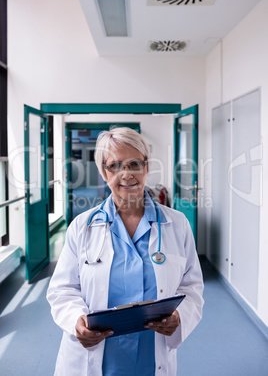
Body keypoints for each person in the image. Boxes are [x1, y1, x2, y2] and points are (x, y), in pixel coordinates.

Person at [47, 127, 204, 376]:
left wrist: (180, 316)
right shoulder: (82, 227)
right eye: (115, 166)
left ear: (146, 167)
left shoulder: (177, 224)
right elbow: (62, 289)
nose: (126, 174)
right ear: (103, 171)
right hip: (95, 357)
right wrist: (76, 320)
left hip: (152, 359)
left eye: (134, 164)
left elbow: (192, 286)